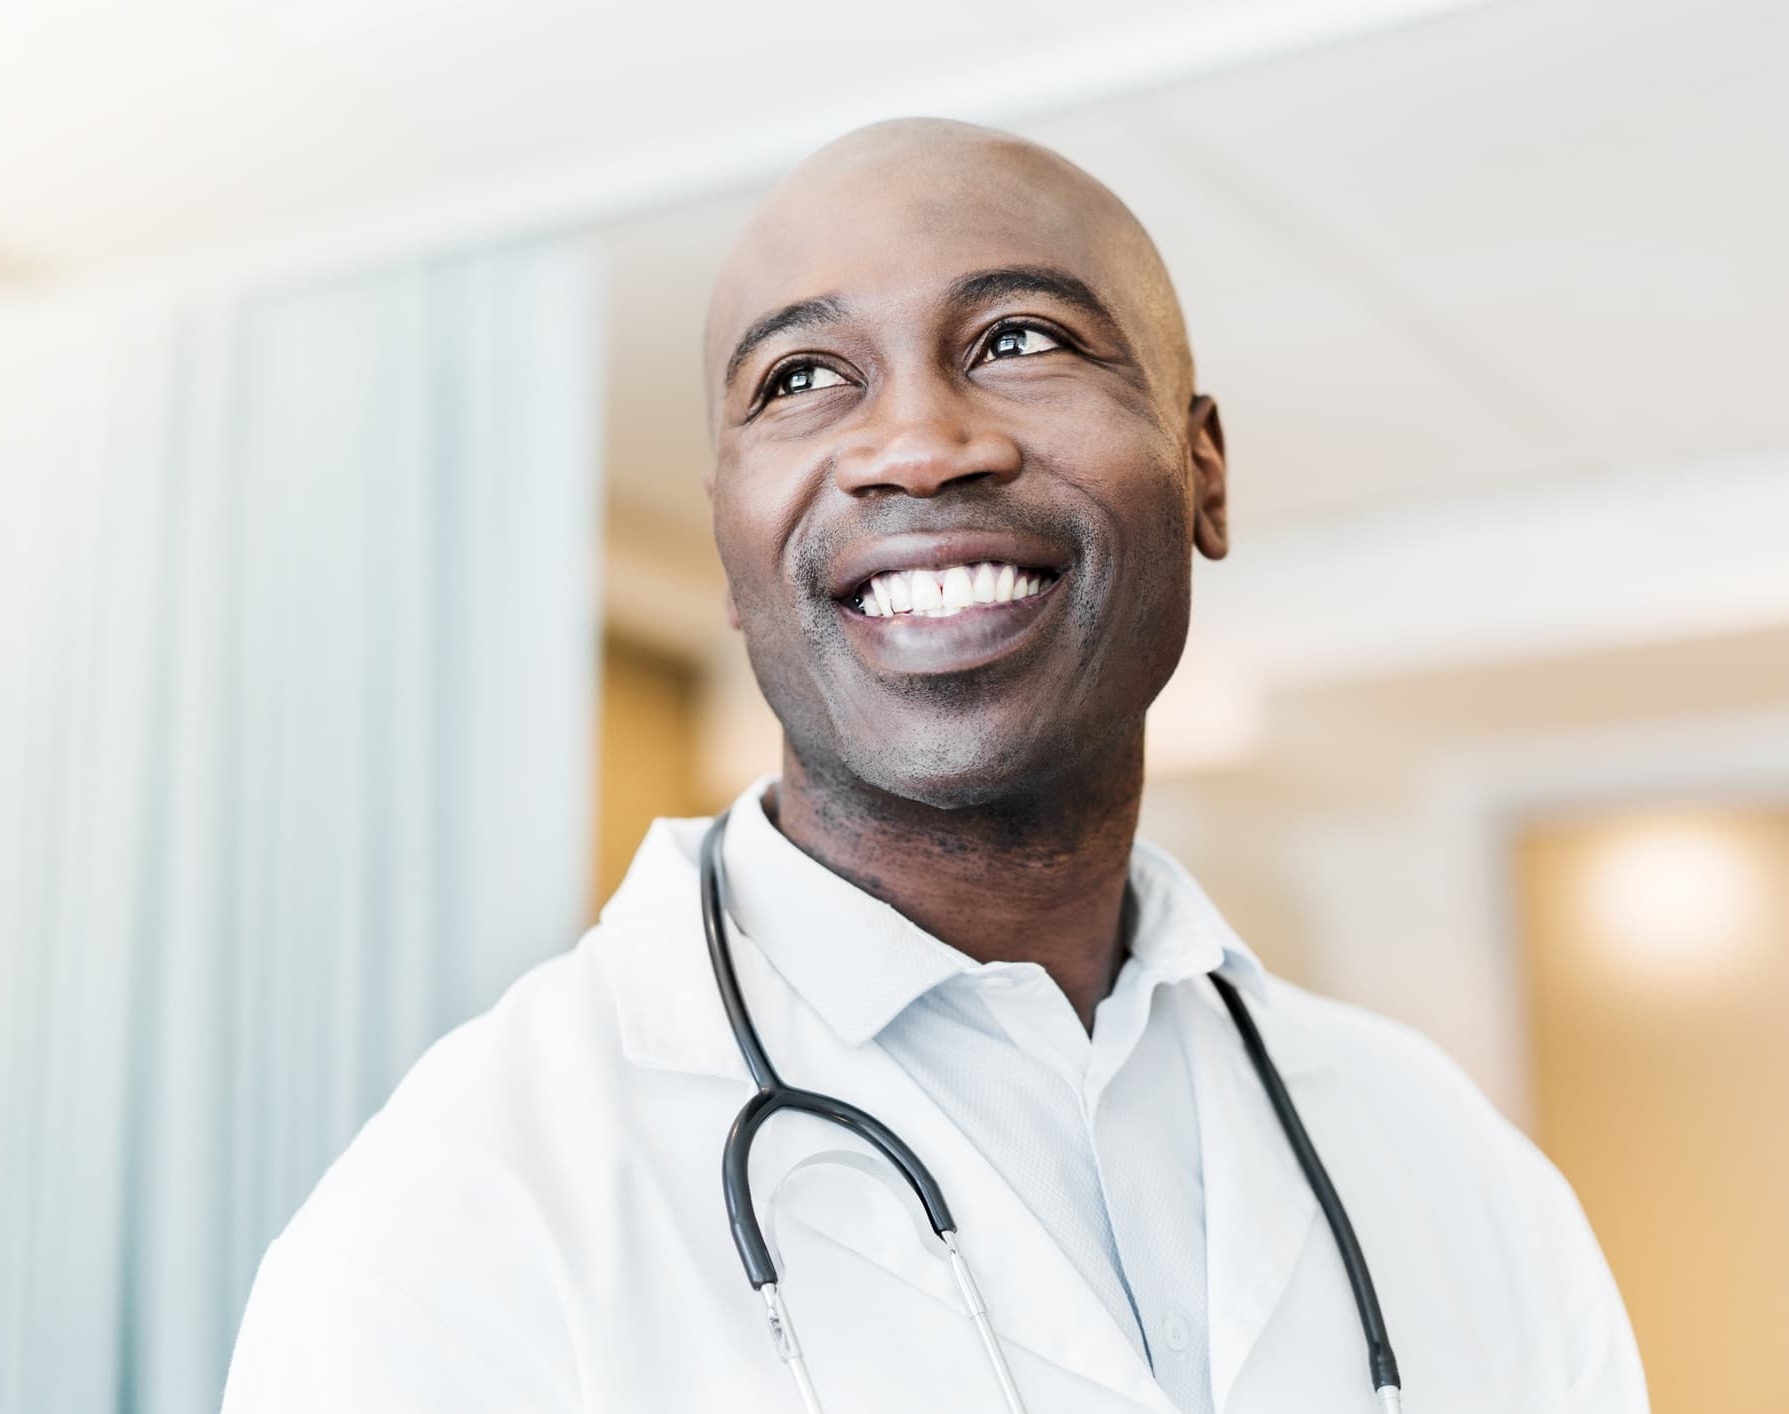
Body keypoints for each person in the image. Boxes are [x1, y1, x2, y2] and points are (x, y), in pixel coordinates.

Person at [221, 119, 1647, 1412]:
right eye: (802, 378)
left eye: (1021, 339)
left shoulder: (1453, 1167)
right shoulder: (456, 1225)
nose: (914, 446)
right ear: (727, 543)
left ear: (1203, 470)